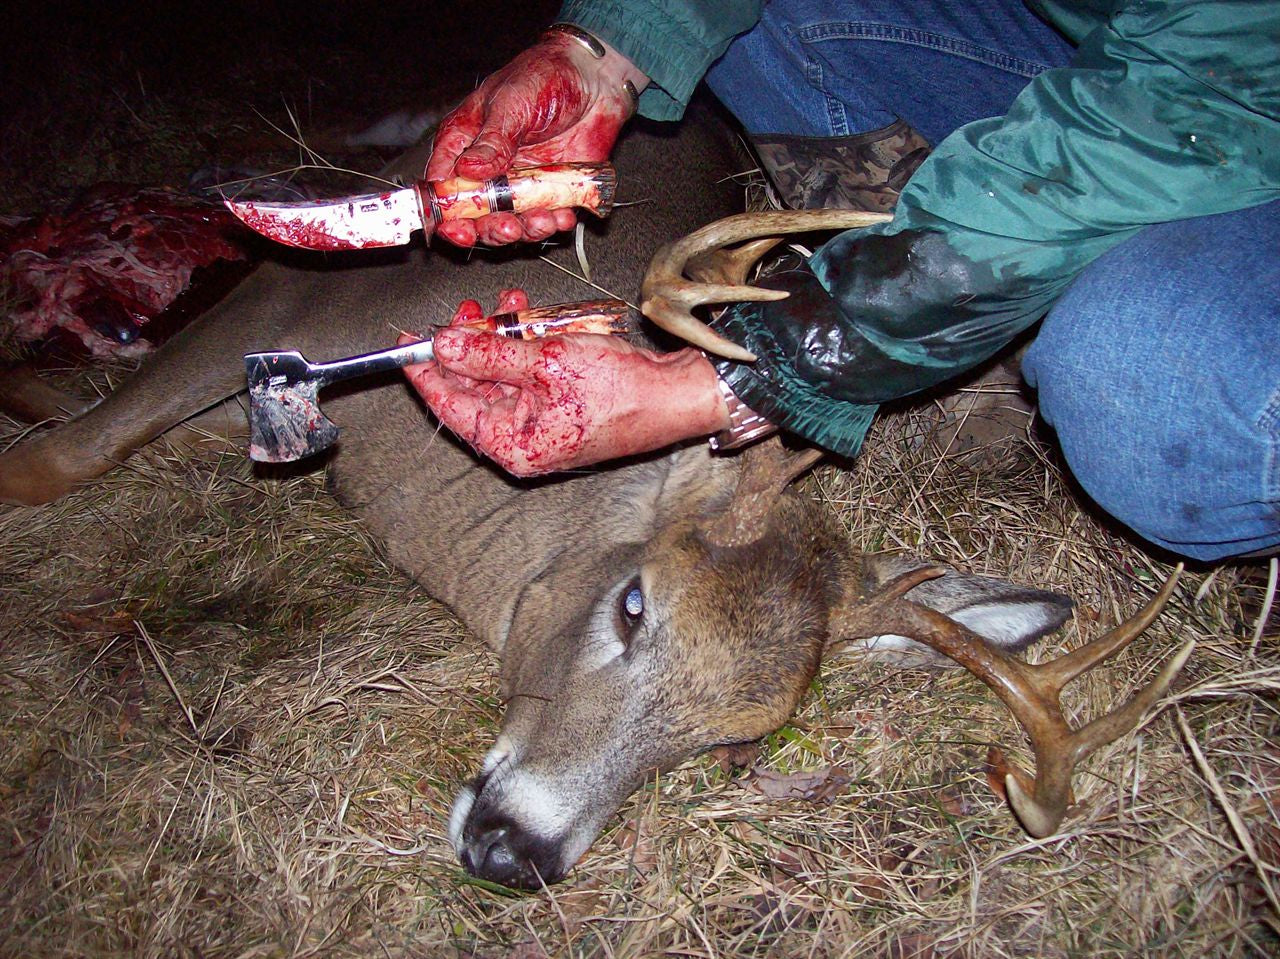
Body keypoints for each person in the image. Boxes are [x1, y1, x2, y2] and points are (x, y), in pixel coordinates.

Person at [402, 0, 1280, 562]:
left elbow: (1186, 97)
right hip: (1116, 39)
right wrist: (605, 54)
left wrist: (744, 375)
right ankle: (960, 298)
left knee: (1155, 391)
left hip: (1227, 82)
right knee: (751, 25)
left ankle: (959, 298)